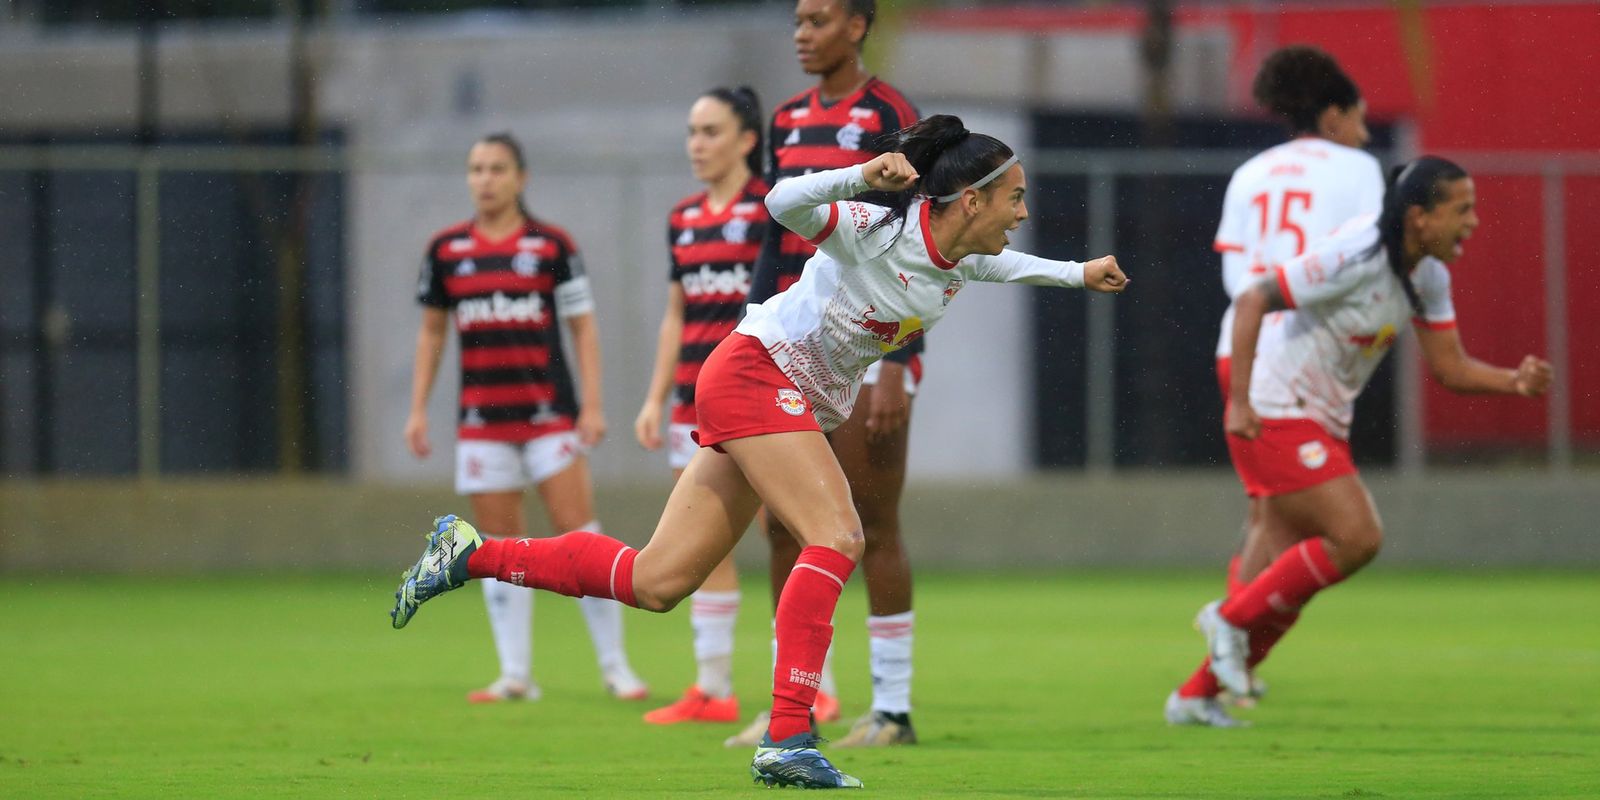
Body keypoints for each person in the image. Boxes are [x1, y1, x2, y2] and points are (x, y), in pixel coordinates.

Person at [390, 115, 1128, 788]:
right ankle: (788, 736)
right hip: (755, 373)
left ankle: (469, 554)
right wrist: (861, 175)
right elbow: (780, 204)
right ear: (970, 200)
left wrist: (1078, 274)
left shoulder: (956, 260)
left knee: (657, 580)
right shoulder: (876, 228)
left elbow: (1004, 267)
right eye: (1016, 197)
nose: (1023, 212)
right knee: (839, 534)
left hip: (774, 392)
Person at [1169, 157, 1553, 728]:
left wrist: (1513, 382)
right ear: (1420, 217)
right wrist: (1241, 402)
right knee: (1357, 536)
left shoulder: (1428, 276)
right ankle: (1228, 618)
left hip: (1323, 419)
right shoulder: (1355, 255)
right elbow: (1252, 299)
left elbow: (1450, 367)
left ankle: (1194, 696)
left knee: (1284, 583)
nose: (1473, 222)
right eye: (1463, 209)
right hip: (1277, 405)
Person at [725, 0, 926, 749]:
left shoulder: (891, 114)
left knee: (871, 521)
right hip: (791, 343)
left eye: (818, 21)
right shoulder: (785, 119)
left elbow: (914, 243)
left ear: (858, 26)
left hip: (868, 347)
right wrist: (748, 327)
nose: (802, 35)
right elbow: (774, 239)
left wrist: (898, 366)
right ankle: (796, 705)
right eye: (798, 22)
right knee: (782, 524)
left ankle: (893, 711)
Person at [1167, 45, 1384, 723]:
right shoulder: (1358, 169)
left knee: (1271, 515)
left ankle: (1219, 679)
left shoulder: (1251, 172)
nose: (1364, 134)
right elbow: (1367, 252)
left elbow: (1239, 280)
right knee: (1328, 530)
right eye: (1359, 119)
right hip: (1299, 352)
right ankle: (1230, 638)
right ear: (1334, 114)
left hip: (1237, 345)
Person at [406, 132, 647, 704]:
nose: (485, 179)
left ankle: (616, 668)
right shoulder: (445, 250)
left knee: (581, 536)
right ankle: (515, 674)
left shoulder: (552, 246)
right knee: (499, 545)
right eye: (476, 168)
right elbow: (433, 332)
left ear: (521, 177)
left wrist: (592, 404)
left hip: (550, 419)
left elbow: (582, 327)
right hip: (481, 424)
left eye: (497, 168)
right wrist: (417, 409)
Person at [634, 87, 770, 725]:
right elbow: (676, 315)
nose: (697, 143)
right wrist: (655, 396)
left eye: (711, 131)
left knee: (786, 537)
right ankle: (714, 690)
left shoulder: (773, 209)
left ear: (747, 140)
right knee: (704, 545)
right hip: (692, 405)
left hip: (759, 398)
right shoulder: (683, 217)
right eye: (692, 131)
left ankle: (814, 684)